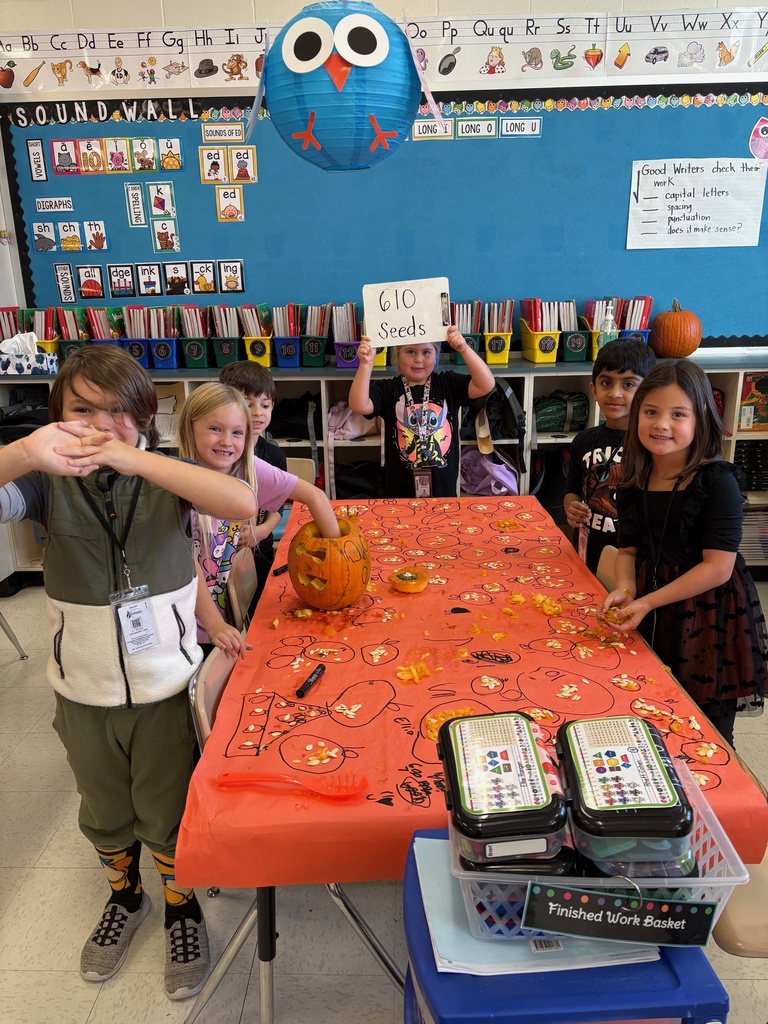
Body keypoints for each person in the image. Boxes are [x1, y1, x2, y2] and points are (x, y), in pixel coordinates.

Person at [0, 345, 257, 1000]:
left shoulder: (167, 475)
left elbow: (239, 504)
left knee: (168, 809)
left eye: (119, 413)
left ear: (145, 418)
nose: (99, 425)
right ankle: (126, 896)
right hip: (81, 690)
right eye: (82, 409)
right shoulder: (42, 484)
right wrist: (28, 452)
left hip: (165, 686)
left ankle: (181, 906)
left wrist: (130, 454)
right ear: (57, 412)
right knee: (105, 808)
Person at [598, 360, 767, 746]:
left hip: (707, 613)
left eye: (678, 414)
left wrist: (648, 602)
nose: (662, 424)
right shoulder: (633, 478)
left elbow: (717, 568)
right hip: (652, 605)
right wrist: (626, 589)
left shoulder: (717, 481)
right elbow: (627, 550)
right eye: (651, 412)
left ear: (701, 420)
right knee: (646, 707)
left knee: (702, 729)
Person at [177, 383, 340, 643]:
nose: (226, 441)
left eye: (238, 432)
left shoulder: (248, 468)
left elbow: (315, 496)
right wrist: (215, 625)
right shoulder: (175, 479)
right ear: (190, 427)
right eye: (215, 429)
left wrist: (339, 561)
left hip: (228, 622)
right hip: (188, 628)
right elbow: (185, 561)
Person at [348, 326, 495, 498]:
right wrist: (366, 364)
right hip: (399, 496)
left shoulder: (447, 383)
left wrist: (463, 348)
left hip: (444, 495)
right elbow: (359, 405)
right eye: (410, 351)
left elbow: (486, 384)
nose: (418, 359)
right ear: (397, 354)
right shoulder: (388, 388)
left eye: (426, 352)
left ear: (436, 354)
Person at [564, 338, 656, 573]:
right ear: (593, 388)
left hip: (636, 560)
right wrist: (571, 506)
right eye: (606, 382)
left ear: (648, 390)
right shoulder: (583, 441)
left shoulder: (653, 445)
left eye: (628, 385)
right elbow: (572, 490)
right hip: (588, 550)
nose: (615, 393)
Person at [219, 361, 286, 598]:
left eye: (265, 405)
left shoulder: (274, 455)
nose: (258, 413)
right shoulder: (218, 454)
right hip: (219, 555)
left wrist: (262, 531)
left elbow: (277, 508)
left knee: (260, 609)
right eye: (248, 405)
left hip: (260, 551)